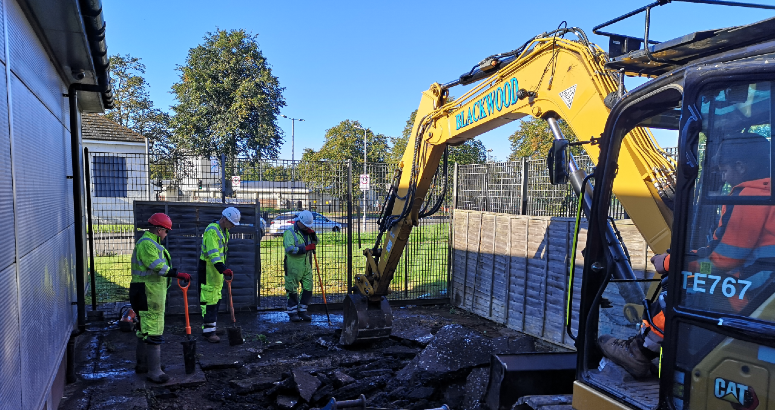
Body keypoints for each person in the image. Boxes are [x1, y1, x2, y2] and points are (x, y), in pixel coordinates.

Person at [598, 133, 773, 378]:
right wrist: (685, 256)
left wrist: (669, 263)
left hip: (750, 290)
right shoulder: (767, 193)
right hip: (763, 283)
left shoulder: (747, 196)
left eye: (724, 172)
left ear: (741, 167)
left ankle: (639, 352)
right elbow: (727, 249)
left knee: (680, 292)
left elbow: (723, 261)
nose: (723, 179)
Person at [130, 213, 190, 383]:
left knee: (144, 331)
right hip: (148, 293)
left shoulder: (149, 243)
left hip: (143, 290)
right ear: (159, 230)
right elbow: (157, 267)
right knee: (154, 329)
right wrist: (177, 274)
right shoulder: (148, 244)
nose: (166, 235)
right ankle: (154, 371)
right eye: (166, 231)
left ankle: (143, 365)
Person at [199, 207, 240, 343]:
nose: (234, 226)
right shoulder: (212, 231)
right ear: (225, 219)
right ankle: (208, 332)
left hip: (216, 270)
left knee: (215, 297)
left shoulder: (224, 231)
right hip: (209, 269)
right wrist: (223, 268)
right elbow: (213, 253)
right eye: (232, 223)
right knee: (209, 299)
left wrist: (222, 269)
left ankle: (212, 327)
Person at [283, 210, 318, 322]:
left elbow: (315, 243)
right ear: (300, 222)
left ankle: (303, 310)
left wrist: (314, 236)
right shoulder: (289, 233)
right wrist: (305, 249)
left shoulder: (307, 232)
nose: (307, 227)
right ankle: (293, 312)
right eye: (306, 225)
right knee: (292, 289)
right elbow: (289, 249)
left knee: (308, 287)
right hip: (293, 266)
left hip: (306, 265)